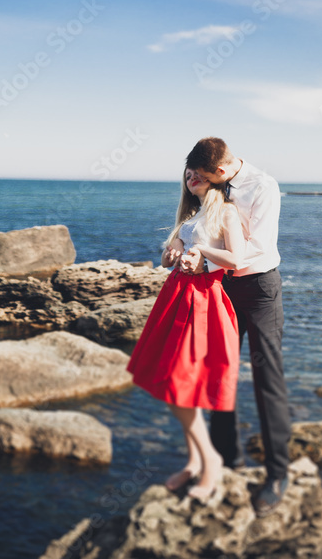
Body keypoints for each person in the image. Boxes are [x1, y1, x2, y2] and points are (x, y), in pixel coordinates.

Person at [183, 137, 292, 516]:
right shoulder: (212, 183)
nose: (201, 181)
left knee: (268, 380)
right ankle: (226, 460)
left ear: (224, 170)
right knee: (218, 374)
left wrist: (207, 261)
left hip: (259, 291)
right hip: (220, 289)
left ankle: (279, 474)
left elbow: (257, 248)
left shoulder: (264, 187)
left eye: (205, 176)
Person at [127, 165, 247, 500]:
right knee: (176, 384)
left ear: (215, 175)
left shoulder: (226, 212)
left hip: (204, 300)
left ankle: (210, 458)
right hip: (177, 296)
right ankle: (195, 460)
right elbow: (168, 261)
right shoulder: (190, 215)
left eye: (198, 172)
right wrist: (172, 251)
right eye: (187, 173)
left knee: (181, 385)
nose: (190, 177)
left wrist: (202, 254)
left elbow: (236, 260)